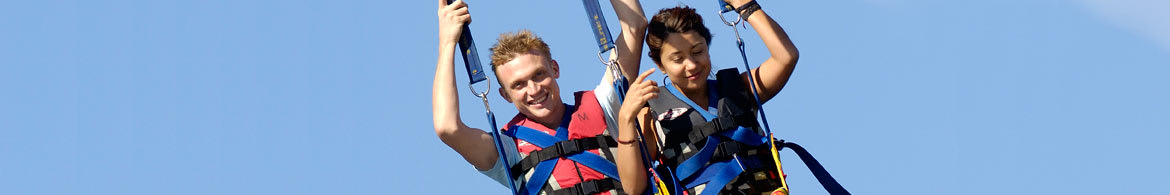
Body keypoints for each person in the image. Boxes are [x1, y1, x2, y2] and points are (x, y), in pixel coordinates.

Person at [432, 0, 647, 194]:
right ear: (505, 95)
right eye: (519, 85)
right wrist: (447, 42)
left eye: (539, 75)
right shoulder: (509, 150)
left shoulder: (603, 106)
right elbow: (447, 128)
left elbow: (634, 26)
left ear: (555, 69)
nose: (534, 90)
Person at [614, 1, 800, 194]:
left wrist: (746, 6)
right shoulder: (651, 114)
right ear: (660, 64)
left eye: (698, 52)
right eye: (678, 59)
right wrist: (625, 118)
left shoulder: (740, 89)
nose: (692, 65)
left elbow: (786, 56)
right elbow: (633, 188)